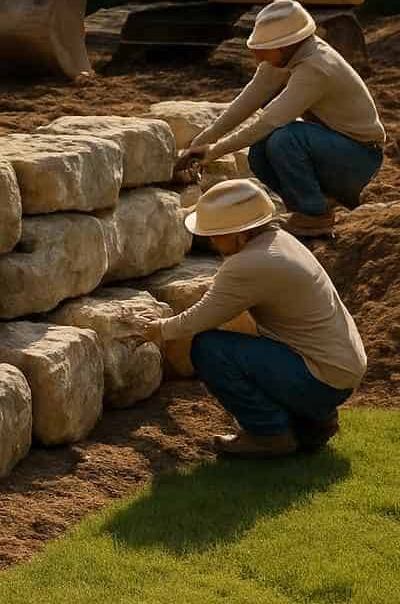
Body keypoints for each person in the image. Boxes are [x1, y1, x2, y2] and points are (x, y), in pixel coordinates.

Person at [121, 179, 367, 459]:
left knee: (210, 349)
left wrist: (157, 330)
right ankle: (314, 421)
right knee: (243, 340)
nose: (210, 240)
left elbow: (200, 318)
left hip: (321, 380)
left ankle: (269, 434)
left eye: (216, 233)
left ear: (240, 233)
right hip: (338, 370)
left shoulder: (250, 264)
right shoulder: (279, 241)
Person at [178, 0, 385, 237]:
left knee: (285, 138)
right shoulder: (288, 56)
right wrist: (201, 142)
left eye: (263, 51)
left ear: (284, 46)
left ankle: (316, 216)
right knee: (260, 150)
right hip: (333, 148)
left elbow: (268, 121)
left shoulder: (315, 67)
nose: (258, 59)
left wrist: (212, 153)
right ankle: (308, 209)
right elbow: (246, 103)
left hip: (360, 158)